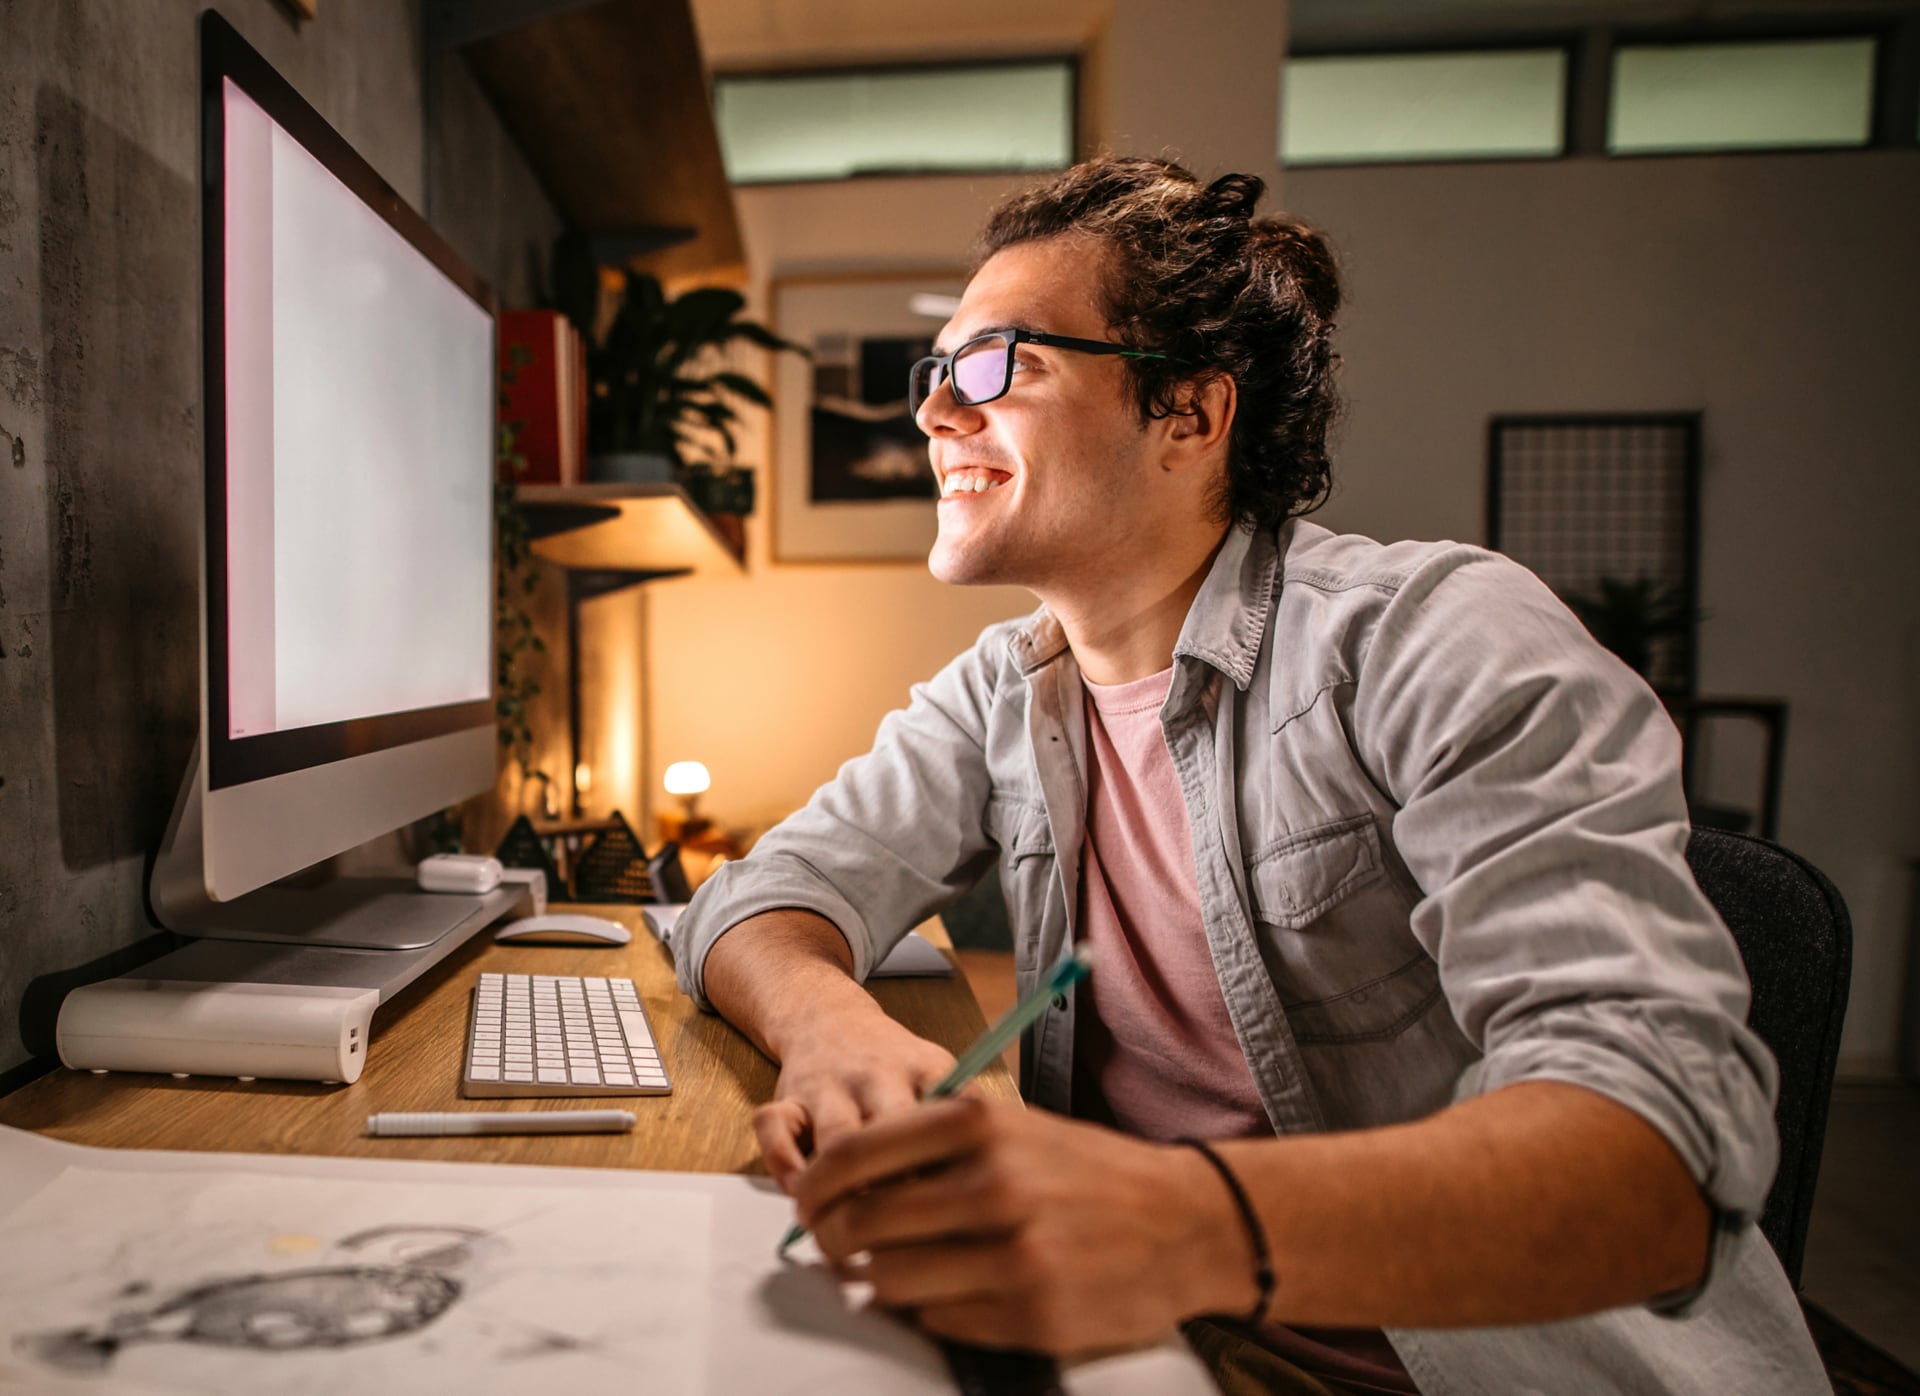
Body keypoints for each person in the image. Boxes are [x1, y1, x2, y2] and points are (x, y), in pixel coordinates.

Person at [675, 157, 1826, 1393]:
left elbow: (1657, 1159)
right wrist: (831, 1026)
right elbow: (755, 897)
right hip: (1175, 1353)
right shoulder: (1002, 690)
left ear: (1189, 416)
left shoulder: (1435, 636)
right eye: (938, 372)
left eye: (1004, 363)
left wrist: (1181, 1225)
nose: (939, 412)